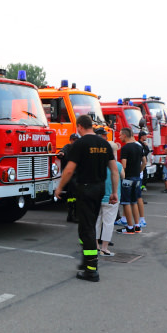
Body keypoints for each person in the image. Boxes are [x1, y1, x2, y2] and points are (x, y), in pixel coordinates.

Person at [54, 115, 119, 282]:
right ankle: (86, 262)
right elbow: (114, 170)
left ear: (80, 127)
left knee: (87, 229)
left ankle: (91, 269)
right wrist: (114, 192)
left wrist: (60, 187)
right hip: (99, 189)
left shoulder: (80, 144)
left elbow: (69, 170)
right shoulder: (104, 144)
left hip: (85, 189)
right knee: (89, 225)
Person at [96, 141, 124, 256]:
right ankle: (105, 248)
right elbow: (123, 176)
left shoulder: (97, 164)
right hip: (112, 197)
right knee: (108, 223)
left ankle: (95, 245)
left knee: (96, 221)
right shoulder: (117, 165)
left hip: (98, 196)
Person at [116, 127, 145, 234]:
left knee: (126, 202)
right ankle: (137, 226)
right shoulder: (139, 147)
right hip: (137, 177)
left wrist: (121, 175)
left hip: (127, 178)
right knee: (134, 201)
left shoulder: (125, 148)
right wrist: (138, 171)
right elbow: (144, 161)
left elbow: (124, 165)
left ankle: (129, 227)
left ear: (124, 135)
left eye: (120, 135)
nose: (119, 137)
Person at [57, 133, 80, 222]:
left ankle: (71, 215)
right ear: (70, 140)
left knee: (72, 196)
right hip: (71, 176)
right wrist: (61, 154)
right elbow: (62, 152)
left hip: (76, 176)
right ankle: (74, 215)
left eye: (76, 140)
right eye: (73, 140)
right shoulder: (67, 147)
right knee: (74, 196)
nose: (75, 141)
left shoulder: (79, 148)